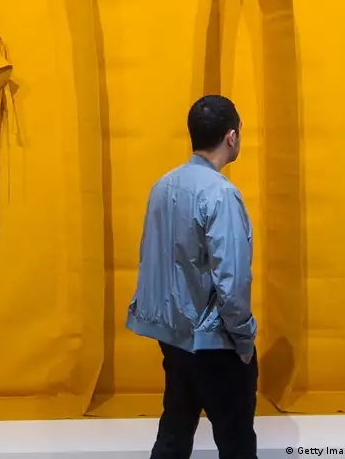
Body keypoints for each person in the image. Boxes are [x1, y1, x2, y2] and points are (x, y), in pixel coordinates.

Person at [126, 95, 257, 459]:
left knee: (174, 435)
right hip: (214, 341)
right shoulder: (221, 194)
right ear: (232, 136)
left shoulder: (163, 186)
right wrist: (243, 339)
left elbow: (151, 259)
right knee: (237, 444)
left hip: (173, 337)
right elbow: (232, 280)